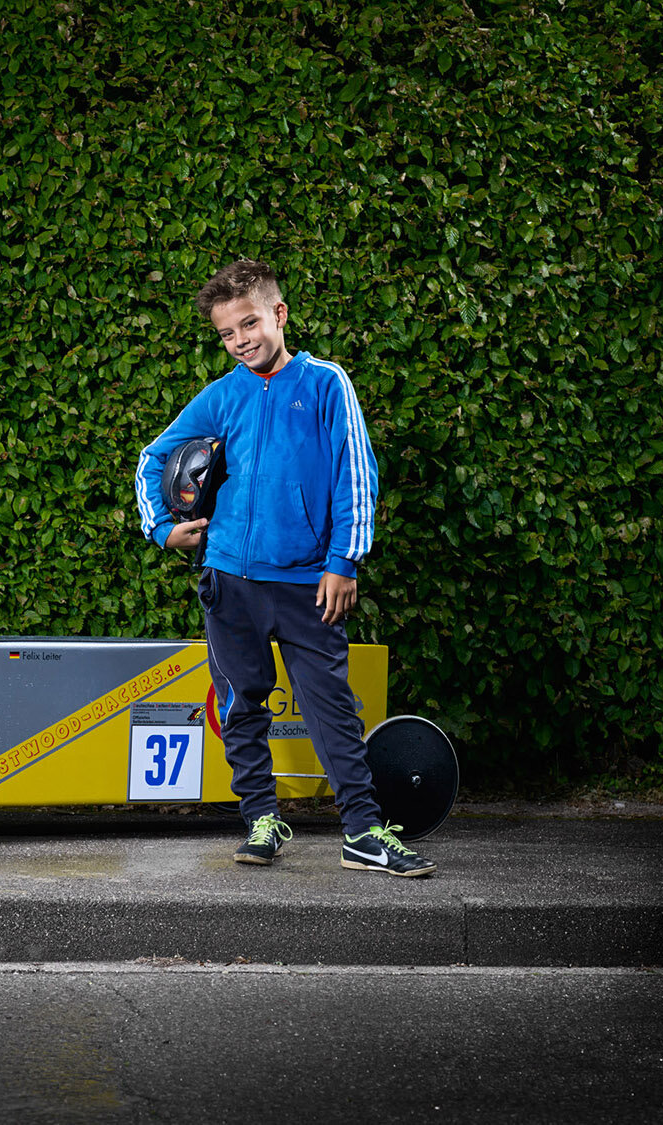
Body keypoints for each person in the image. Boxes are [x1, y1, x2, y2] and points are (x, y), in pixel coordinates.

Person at [134, 259, 435, 877]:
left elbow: (358, 475)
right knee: (242, 703)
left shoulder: (327, 383)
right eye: (226, 334)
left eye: (249, 324)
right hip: (229, 580)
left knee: (331, 708)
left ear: (279, 314)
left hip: (307, 585)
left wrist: (343, 563)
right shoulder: (223, 395)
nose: (240, 340)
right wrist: (164, 529)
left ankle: (363, 830)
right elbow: (152, 458)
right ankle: (262, 819)